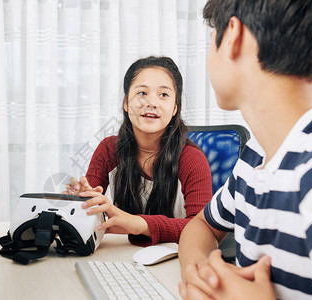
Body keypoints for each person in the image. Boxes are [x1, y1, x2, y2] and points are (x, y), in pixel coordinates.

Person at [178, 1, 312, 299]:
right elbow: (203, 224)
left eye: (212, 39)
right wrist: (205, 275)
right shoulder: (256, 156)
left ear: (232, 36)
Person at [65, 56, 213, 246]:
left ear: (175, 108)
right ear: (126, 103)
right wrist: (80, 201)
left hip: (177, 257)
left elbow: (203, 230)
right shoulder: (108, 150)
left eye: (164, 95)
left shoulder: (191, 158)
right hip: (120, 255)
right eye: (142, 93)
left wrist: (139, 224)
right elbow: (89, 214)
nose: (151, 102)